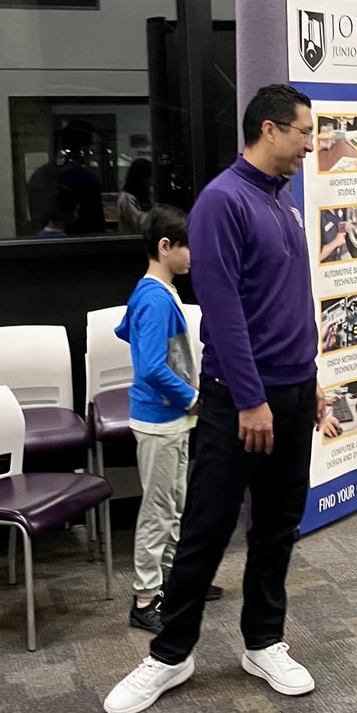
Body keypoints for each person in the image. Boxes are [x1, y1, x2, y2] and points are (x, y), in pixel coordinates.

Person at [104, 83, 324, 713]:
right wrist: (252, 399)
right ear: (269, 129)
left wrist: (309, 378)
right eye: (305, 132)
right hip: (240, 398)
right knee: (205, 528)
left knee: (278, 526)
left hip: (294, 389)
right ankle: (170, 654)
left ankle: (264, 642)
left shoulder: (283, 199)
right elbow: (223, 312)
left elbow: (291, 299)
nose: (311, 145)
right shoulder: (222, 201)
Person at [114, 204, 220, 636]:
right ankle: (144, 599)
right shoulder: (155, 298)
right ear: (165, 247)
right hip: (160, 421)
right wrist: (191, 398)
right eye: (188, 246)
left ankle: (177, 581)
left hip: (170, 420)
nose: (194, 255)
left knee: (174, 505)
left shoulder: (159, 292)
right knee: (158, 512)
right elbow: (152, 367)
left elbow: (129, 332)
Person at [117, 158, 155, 234]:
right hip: (132, 238)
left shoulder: (145, 194)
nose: (149, 181)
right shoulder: (127, 198)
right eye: (148, 178)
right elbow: (139, 223)